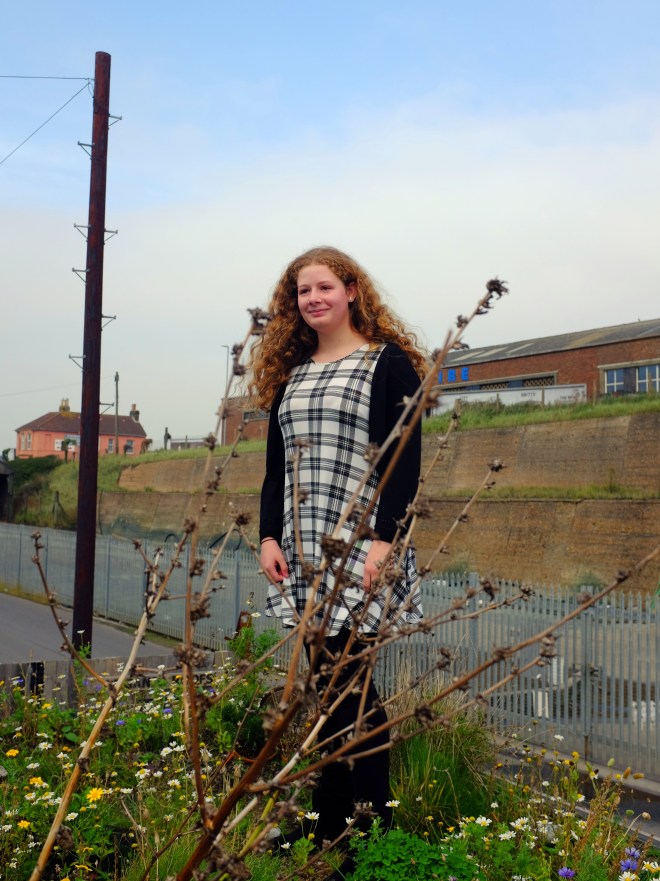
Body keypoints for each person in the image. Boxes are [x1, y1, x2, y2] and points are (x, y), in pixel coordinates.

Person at [250, 246, 425, 877]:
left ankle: (367, 825)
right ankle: (332, 817)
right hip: (302, 547)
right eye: (302, 292)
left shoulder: (388, 363)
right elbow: (278, 467)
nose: (313, 298)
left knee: (348, 683)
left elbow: (406, 454)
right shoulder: (293, 373)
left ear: (351, 290)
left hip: (362, 544)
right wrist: (270, 537)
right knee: (327, 685)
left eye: (324, 286)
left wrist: (386, 538)